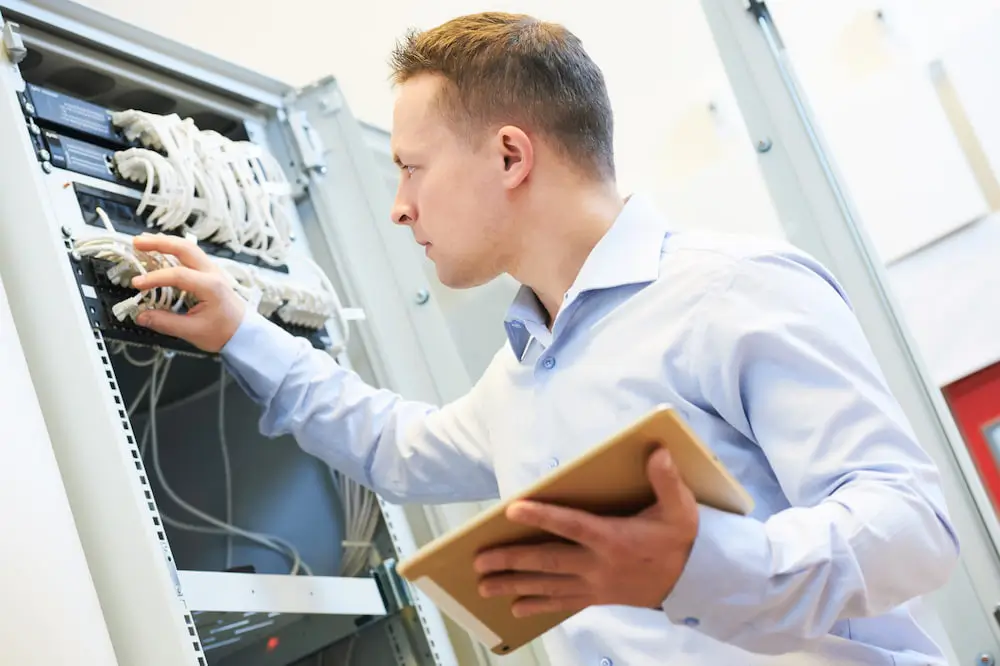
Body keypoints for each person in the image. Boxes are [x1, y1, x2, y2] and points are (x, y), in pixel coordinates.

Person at [129, 11, 959, 666]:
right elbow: (395, 446)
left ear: (511, 155)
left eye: (412, 168)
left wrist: (702, 562)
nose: (399, 206)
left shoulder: (733, 293)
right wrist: (241, 329)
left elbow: (912, 524)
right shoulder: (522, 375)